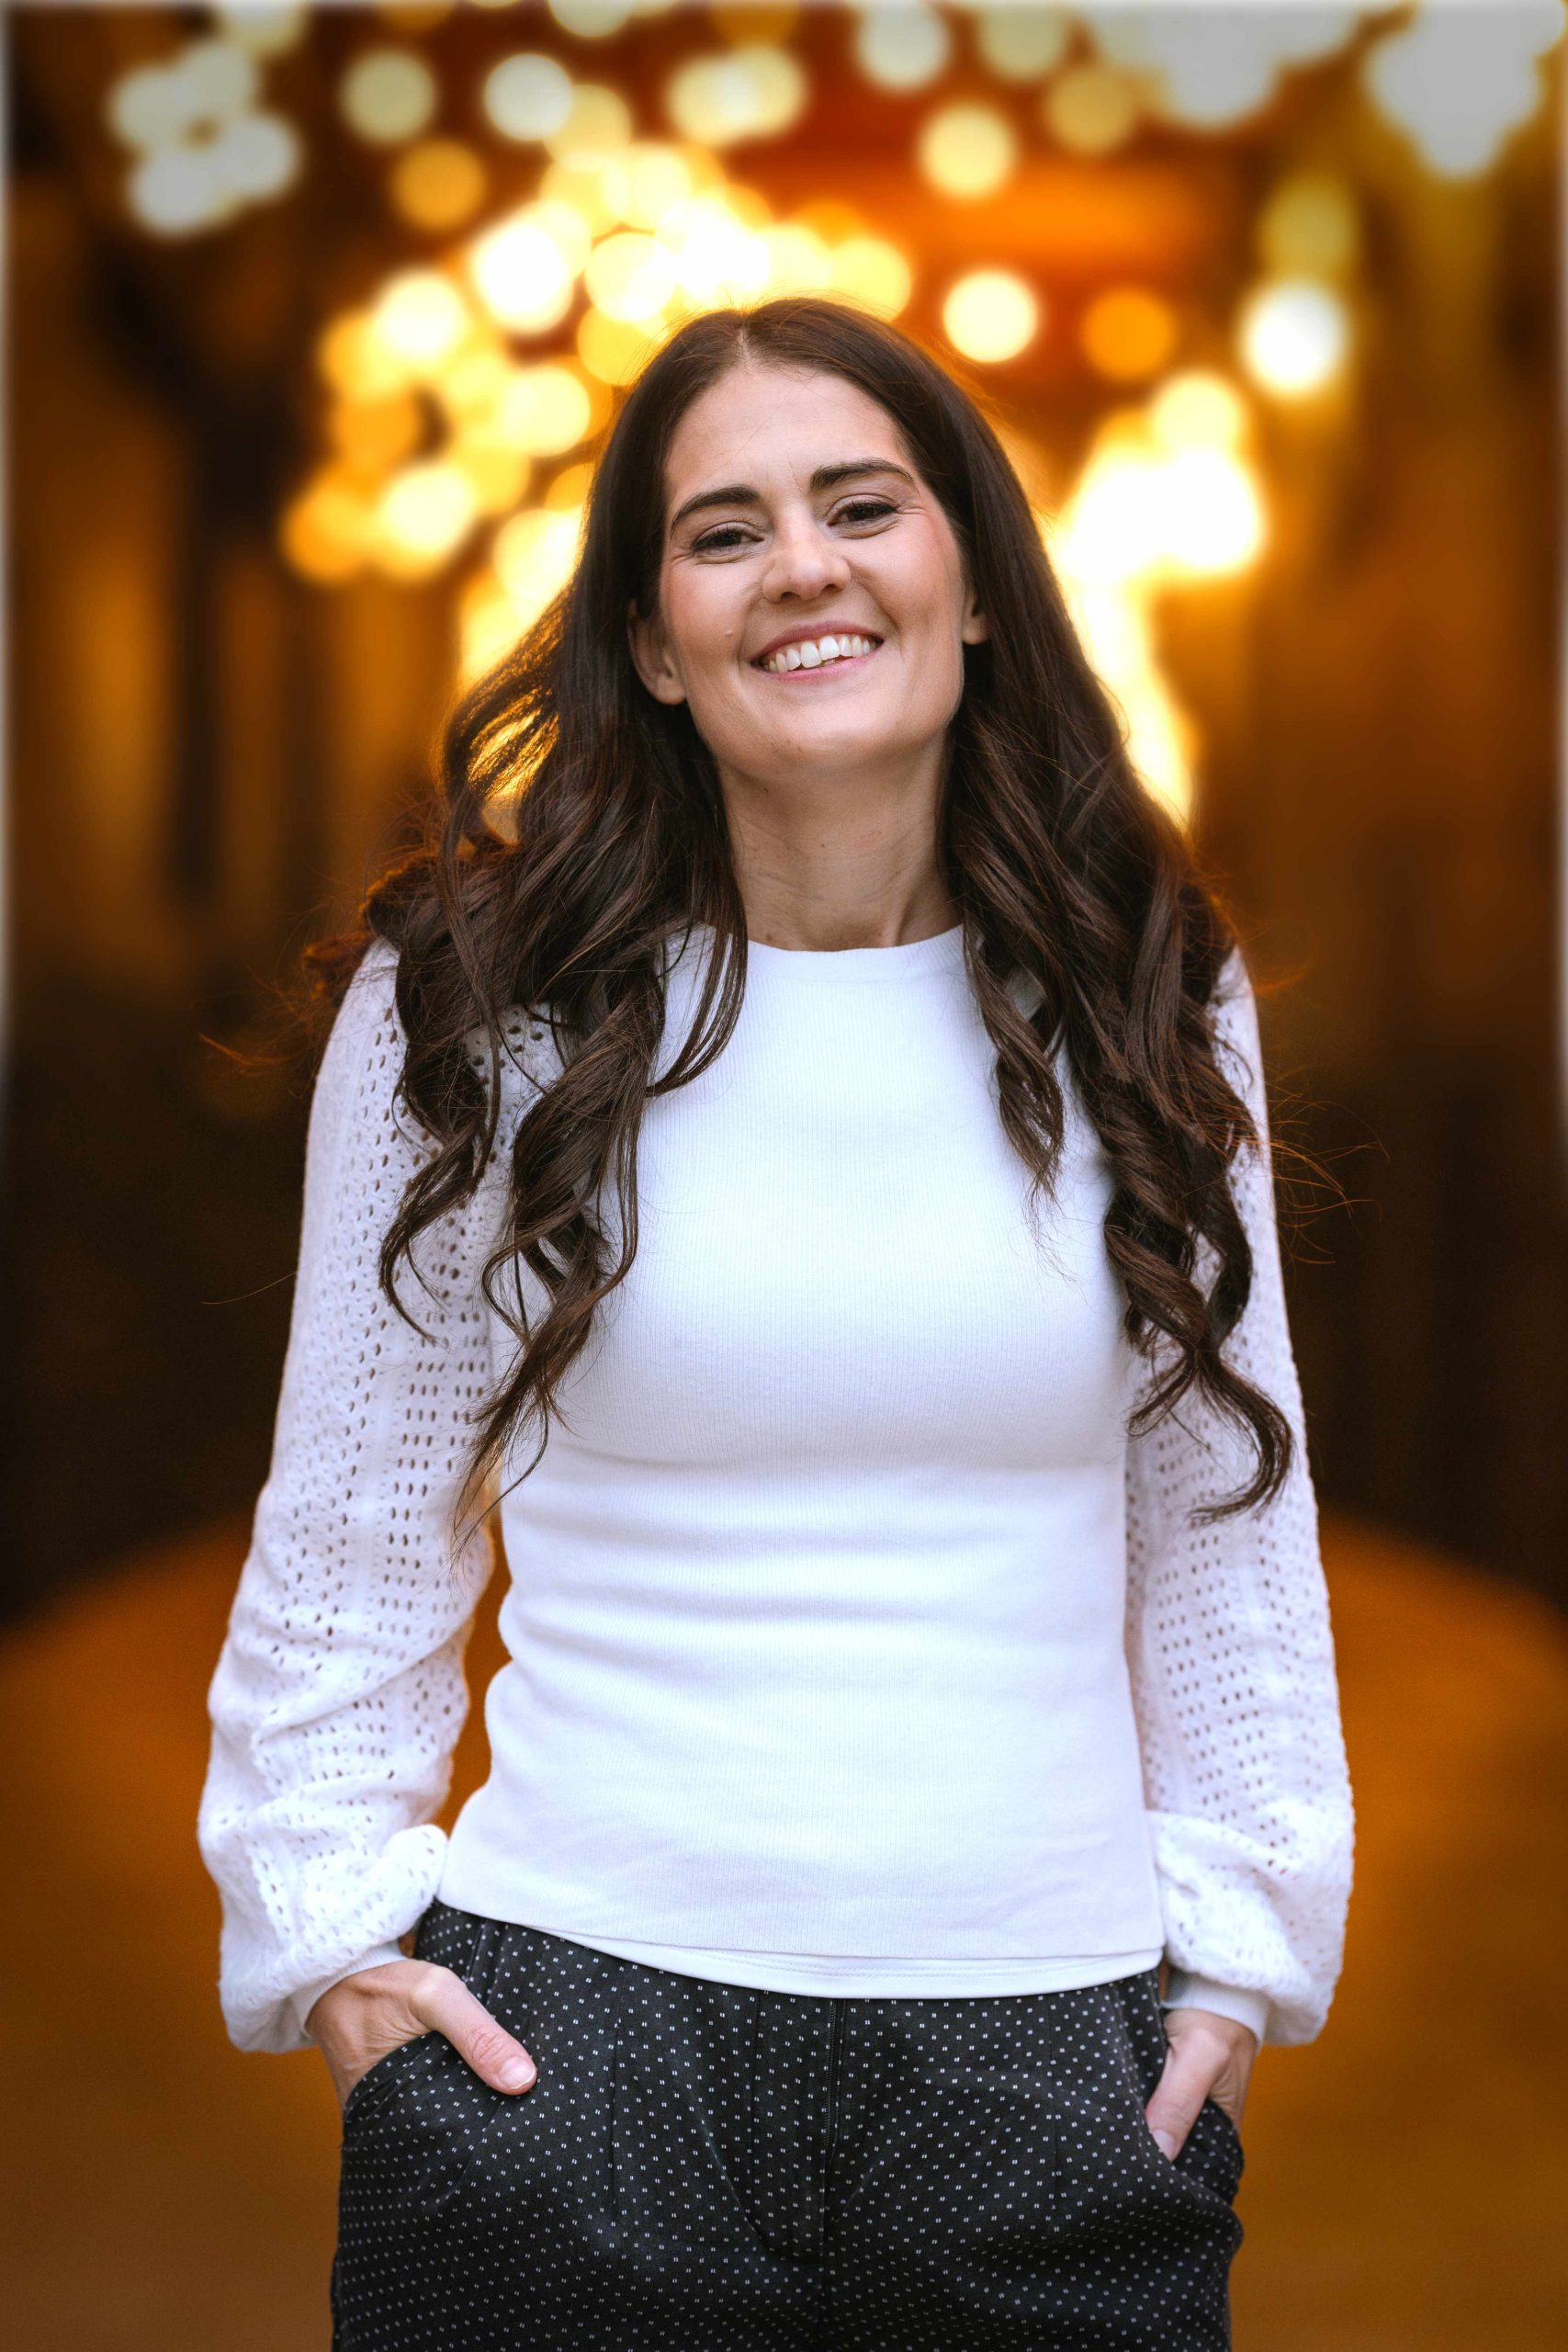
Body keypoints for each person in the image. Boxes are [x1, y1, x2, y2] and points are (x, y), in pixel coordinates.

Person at [197, 295, 1355, 2351]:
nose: (800, 565)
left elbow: (1219, 1515)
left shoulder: (1146, 990)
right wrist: (337, 1943)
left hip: (1046, 2048)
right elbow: (356, 1520)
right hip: (567, 2050)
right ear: (654, 641)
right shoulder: (479, 1007)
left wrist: (1239, 1952)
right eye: (722, 532)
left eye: (860, 505)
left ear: (973, 582)